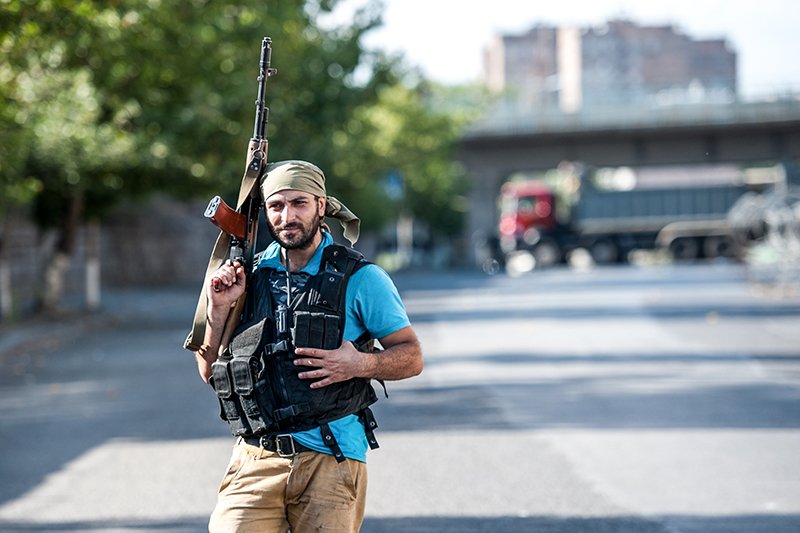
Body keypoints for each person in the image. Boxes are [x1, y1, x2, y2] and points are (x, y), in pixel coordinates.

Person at [193, 160, 423, 533]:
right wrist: (218, 311)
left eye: (299, 203)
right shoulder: (244, 277)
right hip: (255, 457)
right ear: (265, 212)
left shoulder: (361, 278)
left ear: (321, 205)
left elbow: (412, 356)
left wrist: (358, 364)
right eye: (276, 206)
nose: (288, 216)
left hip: (331, 456)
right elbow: (209, 373)